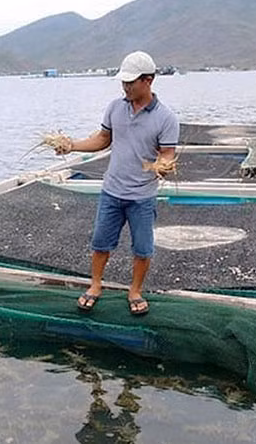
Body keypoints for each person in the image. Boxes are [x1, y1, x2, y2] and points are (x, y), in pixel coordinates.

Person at [57, 51, 179, 315]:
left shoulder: (166, 118)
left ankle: (134, 291)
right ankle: (95, 285)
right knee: (100, 243)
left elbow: (167, 154)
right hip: (112, 191)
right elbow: (103, 139)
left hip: (142, 196)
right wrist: (71, 145)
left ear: (148, 80)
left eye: (130, 82)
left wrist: (164, 166)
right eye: (123, 82)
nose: (125, 87)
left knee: (143, 248)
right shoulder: (115, 107)